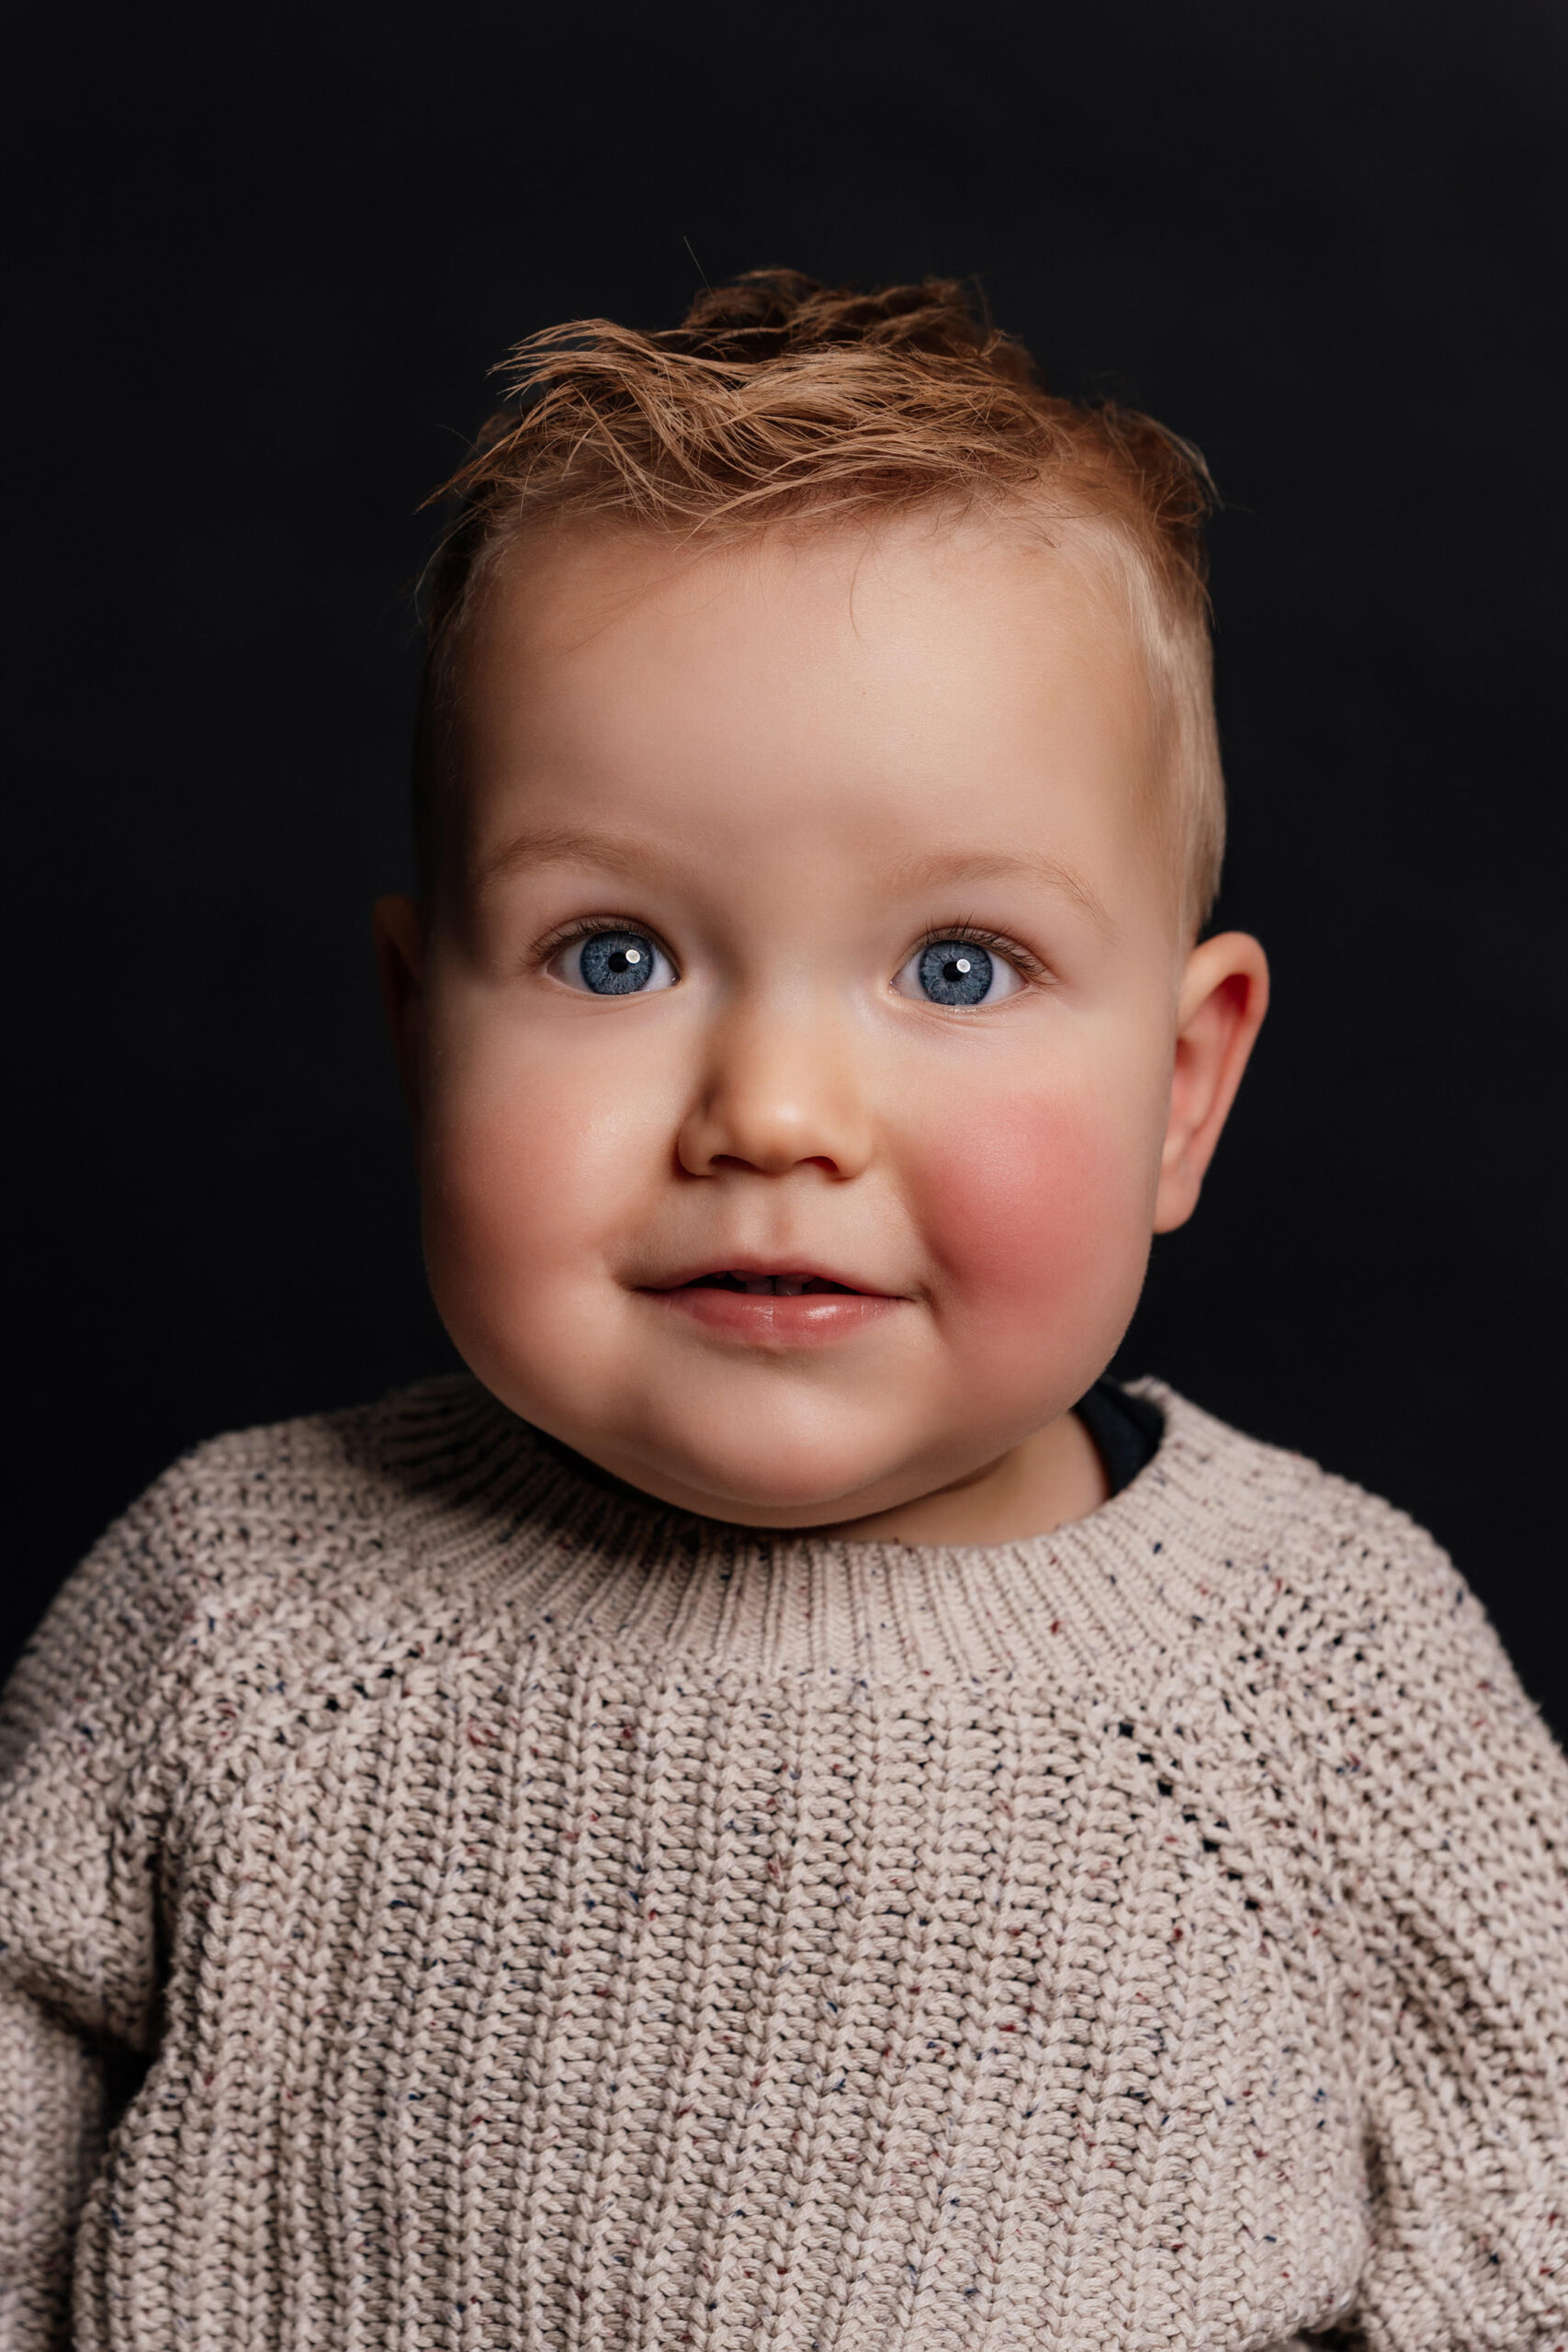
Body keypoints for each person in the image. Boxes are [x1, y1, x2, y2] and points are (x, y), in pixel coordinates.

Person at [2, 270, 1563, 2352]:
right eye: (614, 955)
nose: (774, 1113)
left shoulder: (1327, 1688)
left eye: (956, 968)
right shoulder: (230, 1615)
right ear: (418, 1030)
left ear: (1181, 1092)